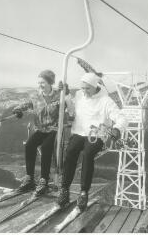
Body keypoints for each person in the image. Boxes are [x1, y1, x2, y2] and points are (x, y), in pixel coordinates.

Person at [57, 72, 127, 210]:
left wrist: (117, 129)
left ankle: (84, 192)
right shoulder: (79, 95)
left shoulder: (105, 101)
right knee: (70, 152)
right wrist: (65, 95)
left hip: (96, 134)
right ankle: (64, 189)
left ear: (95, 87)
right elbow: (71, 111)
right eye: (82, 87)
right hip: (79, 132)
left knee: (88, 154)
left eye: (87, 88)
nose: (84, 91)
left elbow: (121, 118)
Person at [12, 70, 72, 197]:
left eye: (43, 82)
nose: (40, 85)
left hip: (54, 129)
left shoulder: (58, 95)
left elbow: (70, 108)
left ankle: (44, 180)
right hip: (40, 129)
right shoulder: (36, 96)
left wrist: (66, 94)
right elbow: (27, 104)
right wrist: (18, 109)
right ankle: (29, 178)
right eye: (39, 82)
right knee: (29, 145)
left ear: (50, 83)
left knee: (46, 147)